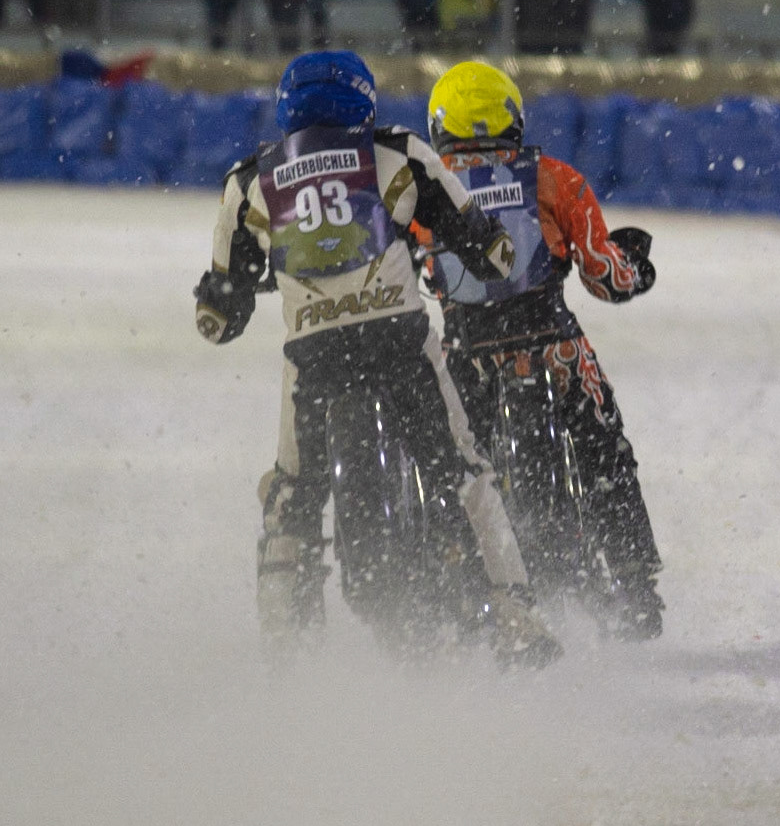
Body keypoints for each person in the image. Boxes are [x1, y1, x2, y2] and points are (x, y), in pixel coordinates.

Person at [192, 49, 560, 667]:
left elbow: (221, 312)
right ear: (363, 102)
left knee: (292, 492)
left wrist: (224, 302)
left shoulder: (249, 181)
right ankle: (516, 616)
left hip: (313, 354)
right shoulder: (398, 152)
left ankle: (286, 645)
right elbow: (482, 244)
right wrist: (492, 249)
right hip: (397, 339)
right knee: (464, 470)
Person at [418, 60, 665, 640]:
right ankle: (634, 584)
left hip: (467, 359)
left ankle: (452, 582)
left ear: (440, 124)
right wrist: (636, 265)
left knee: (448, 470)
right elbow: (607, 277)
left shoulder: (424, 186)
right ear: (513, 119)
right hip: (554, 349)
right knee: (607, 453)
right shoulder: (554, 177)